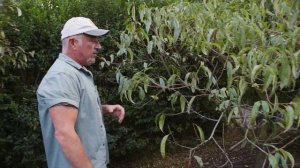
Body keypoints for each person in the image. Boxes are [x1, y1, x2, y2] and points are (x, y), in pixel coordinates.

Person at [36, 17, 125, 168]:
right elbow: (64, 134)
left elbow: (76, 109)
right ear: (73, 43)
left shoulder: (76, 73)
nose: (99, 46)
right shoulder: (62, 76)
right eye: (93, 40)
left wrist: (104, 108)